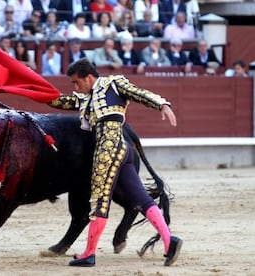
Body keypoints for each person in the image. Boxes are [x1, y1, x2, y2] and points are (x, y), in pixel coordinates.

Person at [47, 57, 182, 267]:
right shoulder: (86, 98)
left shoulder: (113, 83)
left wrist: (162, 104)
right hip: (124, 150)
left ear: (88, 77)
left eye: (76, 82)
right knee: (141, 199)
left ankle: (89, 254)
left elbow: (138, 93)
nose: (74, 86)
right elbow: (57, 100)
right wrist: (30, 84)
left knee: (99, 201)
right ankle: (169, 240)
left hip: (108, 150)